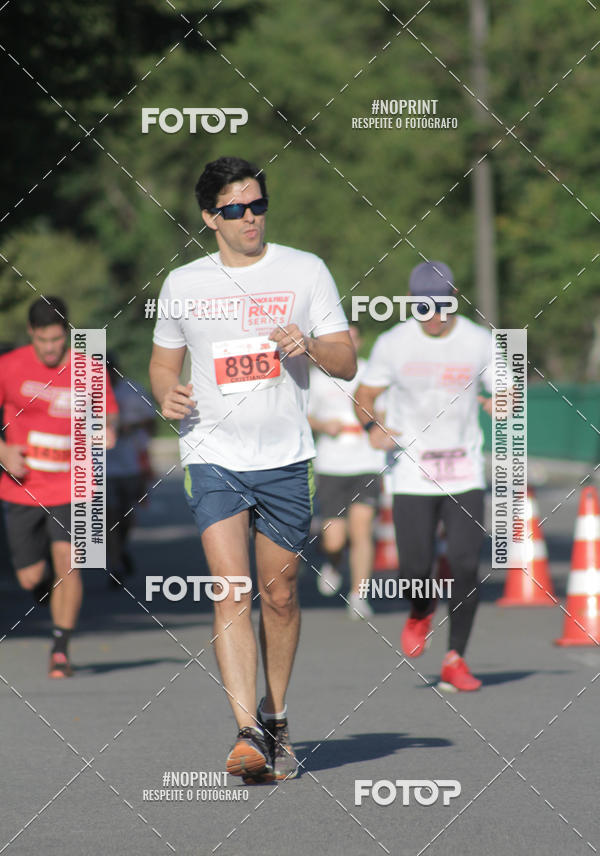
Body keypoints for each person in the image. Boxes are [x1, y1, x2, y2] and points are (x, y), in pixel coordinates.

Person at [149, 156, 356, 780]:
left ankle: (276, 718)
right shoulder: (185, 283)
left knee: (281, 594)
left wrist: (311, 346)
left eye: (258, 205)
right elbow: (163, 365)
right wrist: (167, 394)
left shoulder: (304, 270)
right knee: (231, 589)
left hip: (287, 457)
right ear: (210, 217)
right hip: (213, 454)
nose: (250, 219)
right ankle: (245, 733)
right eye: (236, 210)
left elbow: (346, 361)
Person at [355, 261, 493, 692]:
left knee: (467, 563)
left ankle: (456, 657)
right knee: (415, 568)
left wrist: (502, 400)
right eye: (425, 308)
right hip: (411, 472)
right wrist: (370, 425)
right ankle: (419, 611)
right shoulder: (393, 344)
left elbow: (508, 386)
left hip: (464, 471)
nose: (435, 316)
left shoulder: (480, 340)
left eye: (443, 306)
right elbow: (365, 395)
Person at [0, 298, 117, 678]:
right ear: (31, 334)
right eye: (42, 340)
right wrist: (3, 451)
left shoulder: (89, 369)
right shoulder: (9, 366)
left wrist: (108, 430)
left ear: (66, 334)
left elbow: (108, 413)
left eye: (56, 339)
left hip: (74, 483)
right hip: (23, 486)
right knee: (31, 577)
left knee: (70, 563)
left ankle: (61, 647)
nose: (50, 348)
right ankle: (48, 591)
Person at [308, 325, 384, 620]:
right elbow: (304, 414)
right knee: (334, 538)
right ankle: (333, 562)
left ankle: (359, 595)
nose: (348, 342)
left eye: (353, 337)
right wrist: (323, 425)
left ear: (359, 342)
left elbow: (386, 410)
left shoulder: (370, 374)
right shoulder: (316, 378)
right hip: (331, 463)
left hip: (367, 462)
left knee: (362, 528)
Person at [106, 356, 156, 586]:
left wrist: (128, 427)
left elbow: (152, 423)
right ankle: (115, 563)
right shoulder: (85, 392)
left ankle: (120, 548)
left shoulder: (132, 390)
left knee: (126, 516)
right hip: (101, 467)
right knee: (109, 514)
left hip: (131, 464)